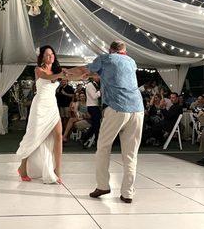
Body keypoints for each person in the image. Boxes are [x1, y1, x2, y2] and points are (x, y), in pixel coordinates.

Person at [64, 41, 144, 203]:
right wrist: (96, 75)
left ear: (110, 50)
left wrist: (65, 72)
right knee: (130, 153)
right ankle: (128, 193)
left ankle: (103, 185)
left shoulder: (106, 58)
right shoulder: (131, 61)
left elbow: (82, 70)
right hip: (138, 109)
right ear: (124, 51)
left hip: (117, 108)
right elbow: (114, 76)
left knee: (103, 147)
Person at [16, 45, 64, 184]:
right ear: (42, 57)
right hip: (39, 106)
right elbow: (47, 77)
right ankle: (22, 167)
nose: (51, 56)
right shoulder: (38, 70)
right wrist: (61, 74)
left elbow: (66, 75)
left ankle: (57, 170)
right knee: (33, 136)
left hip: (52, 106)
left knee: (58, 137)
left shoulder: (56, 70)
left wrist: (83, 74)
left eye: (52, 54)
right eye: (48, 54)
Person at [82, 74, 102, 145]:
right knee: (96, 125)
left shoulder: (95, 85)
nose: (99, 77)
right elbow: (94, 96)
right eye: (98, 76)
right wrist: (101, 91)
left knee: (96, 125)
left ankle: (87, 139)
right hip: (92, 107)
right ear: (93, 77)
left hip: (95, 106)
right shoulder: (90, 85)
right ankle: (87, 139)